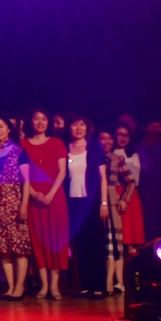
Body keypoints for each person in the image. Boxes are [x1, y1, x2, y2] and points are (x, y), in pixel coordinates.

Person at [21, 109, 70, 300]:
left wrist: (50, 194)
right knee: (38, 238)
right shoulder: (23, 144)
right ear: (31, 122)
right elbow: (21, 174)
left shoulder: (57, 143)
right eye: (36, 119)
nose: (40, 122)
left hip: (55, 196)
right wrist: (33, 193)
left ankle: (55, 285)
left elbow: (62, 172)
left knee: (56, 238)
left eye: (44, 119)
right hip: (33, 196)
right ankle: (43, 285)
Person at [0, 115, 32, 301]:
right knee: (3, 248)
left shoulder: (19, 151)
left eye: (1, 126)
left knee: (19, 247)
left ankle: (20, 286)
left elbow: (26, 181)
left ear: (9, 128)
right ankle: (10, 287)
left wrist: (24, 205)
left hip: (14, 201)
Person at [64, 114, 107, 299]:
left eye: (82, 125)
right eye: (75, 125)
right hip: (73, 203)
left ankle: (99, 285)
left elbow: (103, 177)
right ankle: (84, 284)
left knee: (95, 243)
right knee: (79, 244)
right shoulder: (65, 148)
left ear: (87, 128)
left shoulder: (94, 147)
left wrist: (104, 202)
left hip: (92, 202)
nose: (78, 128)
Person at [106, 125, 143, 294]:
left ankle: (133, 282)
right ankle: (117, 280)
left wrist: (126, 199)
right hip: (117, 195)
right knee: (119, 241)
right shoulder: (110, 155)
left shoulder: (135, 154)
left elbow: (134, 180)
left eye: (126, 135)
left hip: (132, 198)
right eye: (119, 134)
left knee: (132, 243)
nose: (122, 138)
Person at [136, 115, 161, 241]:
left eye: (159, 126)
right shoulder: (138, 148)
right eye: (153, 126)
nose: (156, 129)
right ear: (144, 128)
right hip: (147, 193)